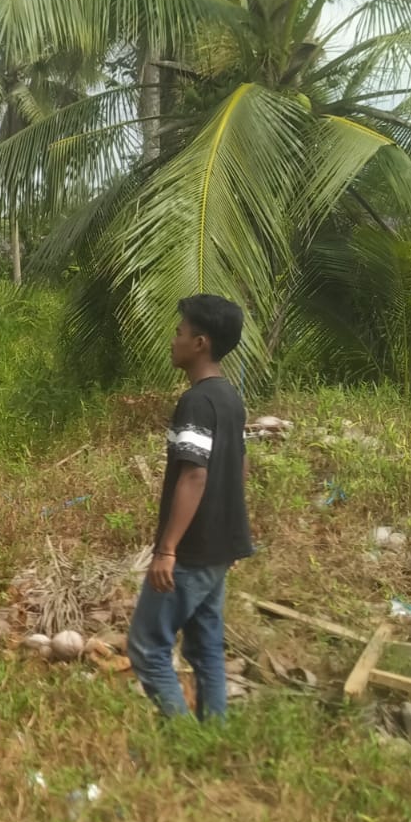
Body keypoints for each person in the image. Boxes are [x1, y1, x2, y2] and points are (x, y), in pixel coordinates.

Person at [126, 294, 254, 722]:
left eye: (179, 332)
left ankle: (184, 740)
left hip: (192, 550)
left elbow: (194, 475)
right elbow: (240, 468)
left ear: (199, 343)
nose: (173, 339)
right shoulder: (231, 399)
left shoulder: (196, 402)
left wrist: (167, 549)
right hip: (218, 547)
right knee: (205, 646)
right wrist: (231, 537)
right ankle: (213, 735)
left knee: (148, 646)